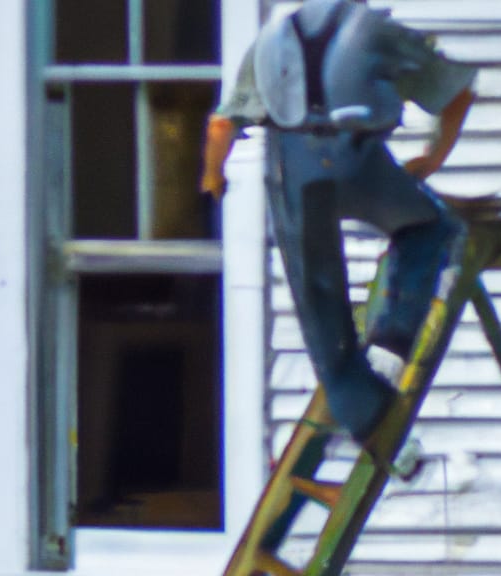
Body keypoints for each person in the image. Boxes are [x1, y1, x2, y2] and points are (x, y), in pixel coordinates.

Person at [201, 0, 477, 443]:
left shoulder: (270, 41)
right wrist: (433, 157)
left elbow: (220, 126)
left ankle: (362, 414)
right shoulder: (376, 31)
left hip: (292, 168)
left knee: (318, 292)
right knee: (429, 227)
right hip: (359, 160)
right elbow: (457, 91)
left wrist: (213, 176)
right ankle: (392, 339)